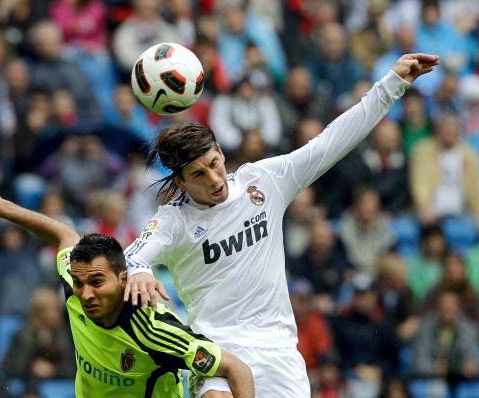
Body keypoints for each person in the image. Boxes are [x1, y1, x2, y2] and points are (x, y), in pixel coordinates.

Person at [124, 53, 440, 397]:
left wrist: (392, 84)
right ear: (181, 182)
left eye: (214, 163)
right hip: (217, 351)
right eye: (199, 175)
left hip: (277, 351)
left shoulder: (263, 181)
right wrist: (139, 269)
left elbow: (331, 142)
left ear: (220, 151)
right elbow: (131, 258)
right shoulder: (173, 219)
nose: (215, 179)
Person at [0, 178, 254, 398]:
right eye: (80, 283)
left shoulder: (154, 329)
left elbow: (237, 370)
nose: (86, 294)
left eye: (97, 282)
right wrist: (1, 207)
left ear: (124, 278)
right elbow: (64, 232)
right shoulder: (75, 279)